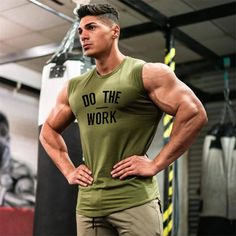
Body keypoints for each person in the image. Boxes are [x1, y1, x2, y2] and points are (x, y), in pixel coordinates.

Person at [39, 3, 208, 236]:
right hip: (89, 206)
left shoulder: (146, 73)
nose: (83, 35)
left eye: (91, 27)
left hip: (134, 201)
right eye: (80, 31)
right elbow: (47, 131)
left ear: (114, 31)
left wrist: (156, 163)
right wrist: (69, 171)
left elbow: (194, 114)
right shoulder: (73, 87)